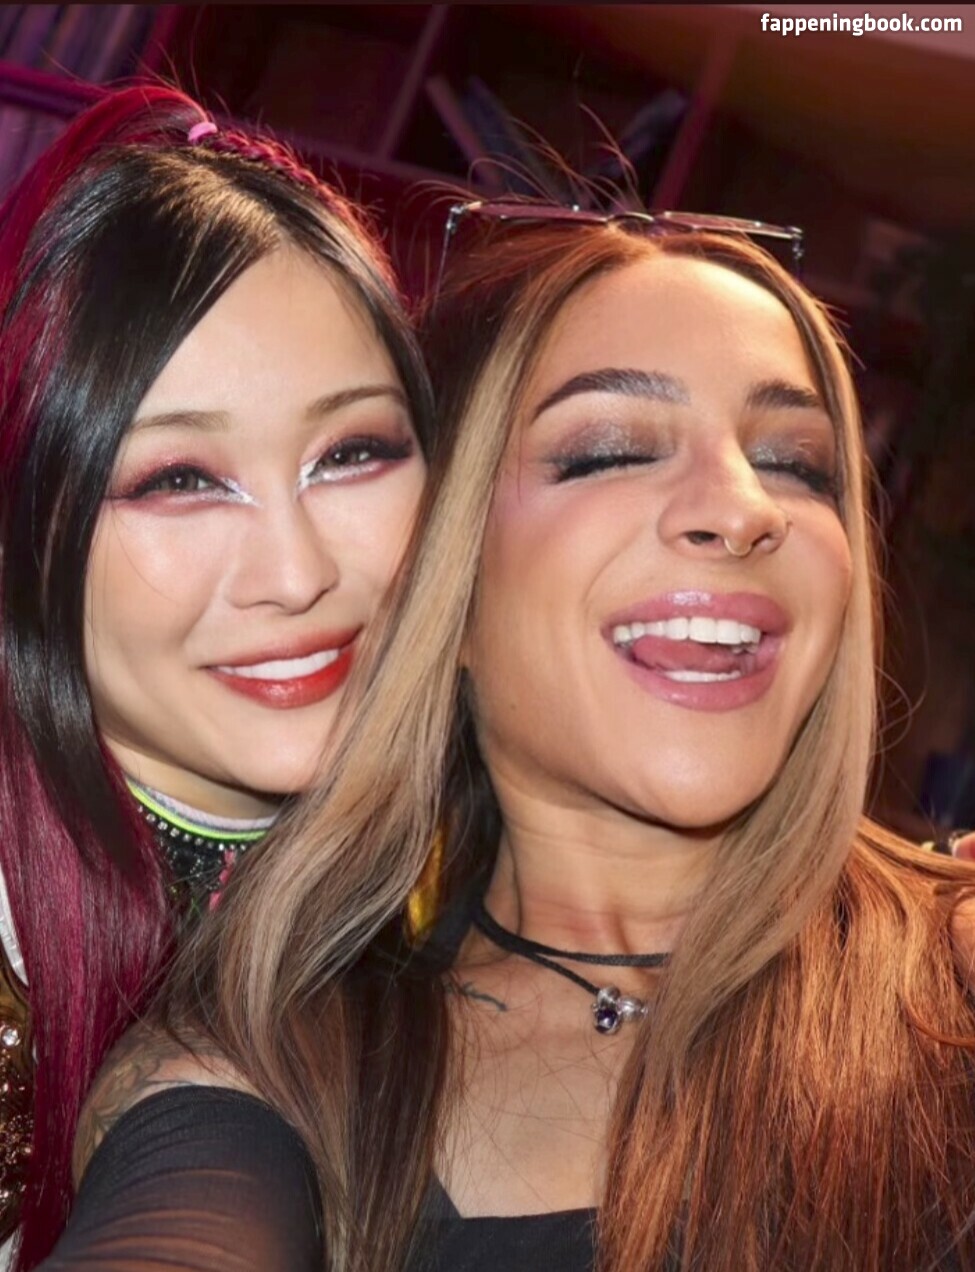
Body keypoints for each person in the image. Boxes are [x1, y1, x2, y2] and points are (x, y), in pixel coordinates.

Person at [41, 210, 975, 1272]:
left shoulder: (952, 978)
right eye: (610, 451)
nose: (742, 507)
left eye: (797, 463)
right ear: (444, 579)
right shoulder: (277, 1065)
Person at [0, 84, 431, 1269]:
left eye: (352, 453)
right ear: (27, 529)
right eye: (181, 479)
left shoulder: (481, 847)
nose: (298, 575)